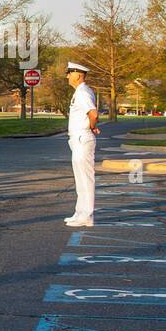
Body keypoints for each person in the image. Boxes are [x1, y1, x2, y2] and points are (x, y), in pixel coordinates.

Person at [65, 64, 100, 228]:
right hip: (78, 138)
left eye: (69, 73)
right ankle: (80, 212)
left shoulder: (83, 93)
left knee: (85, 178)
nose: (67, 76)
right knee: (80, 178)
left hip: (82, 137)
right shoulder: (79, 92)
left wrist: (92, 126)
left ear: (78, 75)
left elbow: (93, 114)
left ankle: (86, 215)